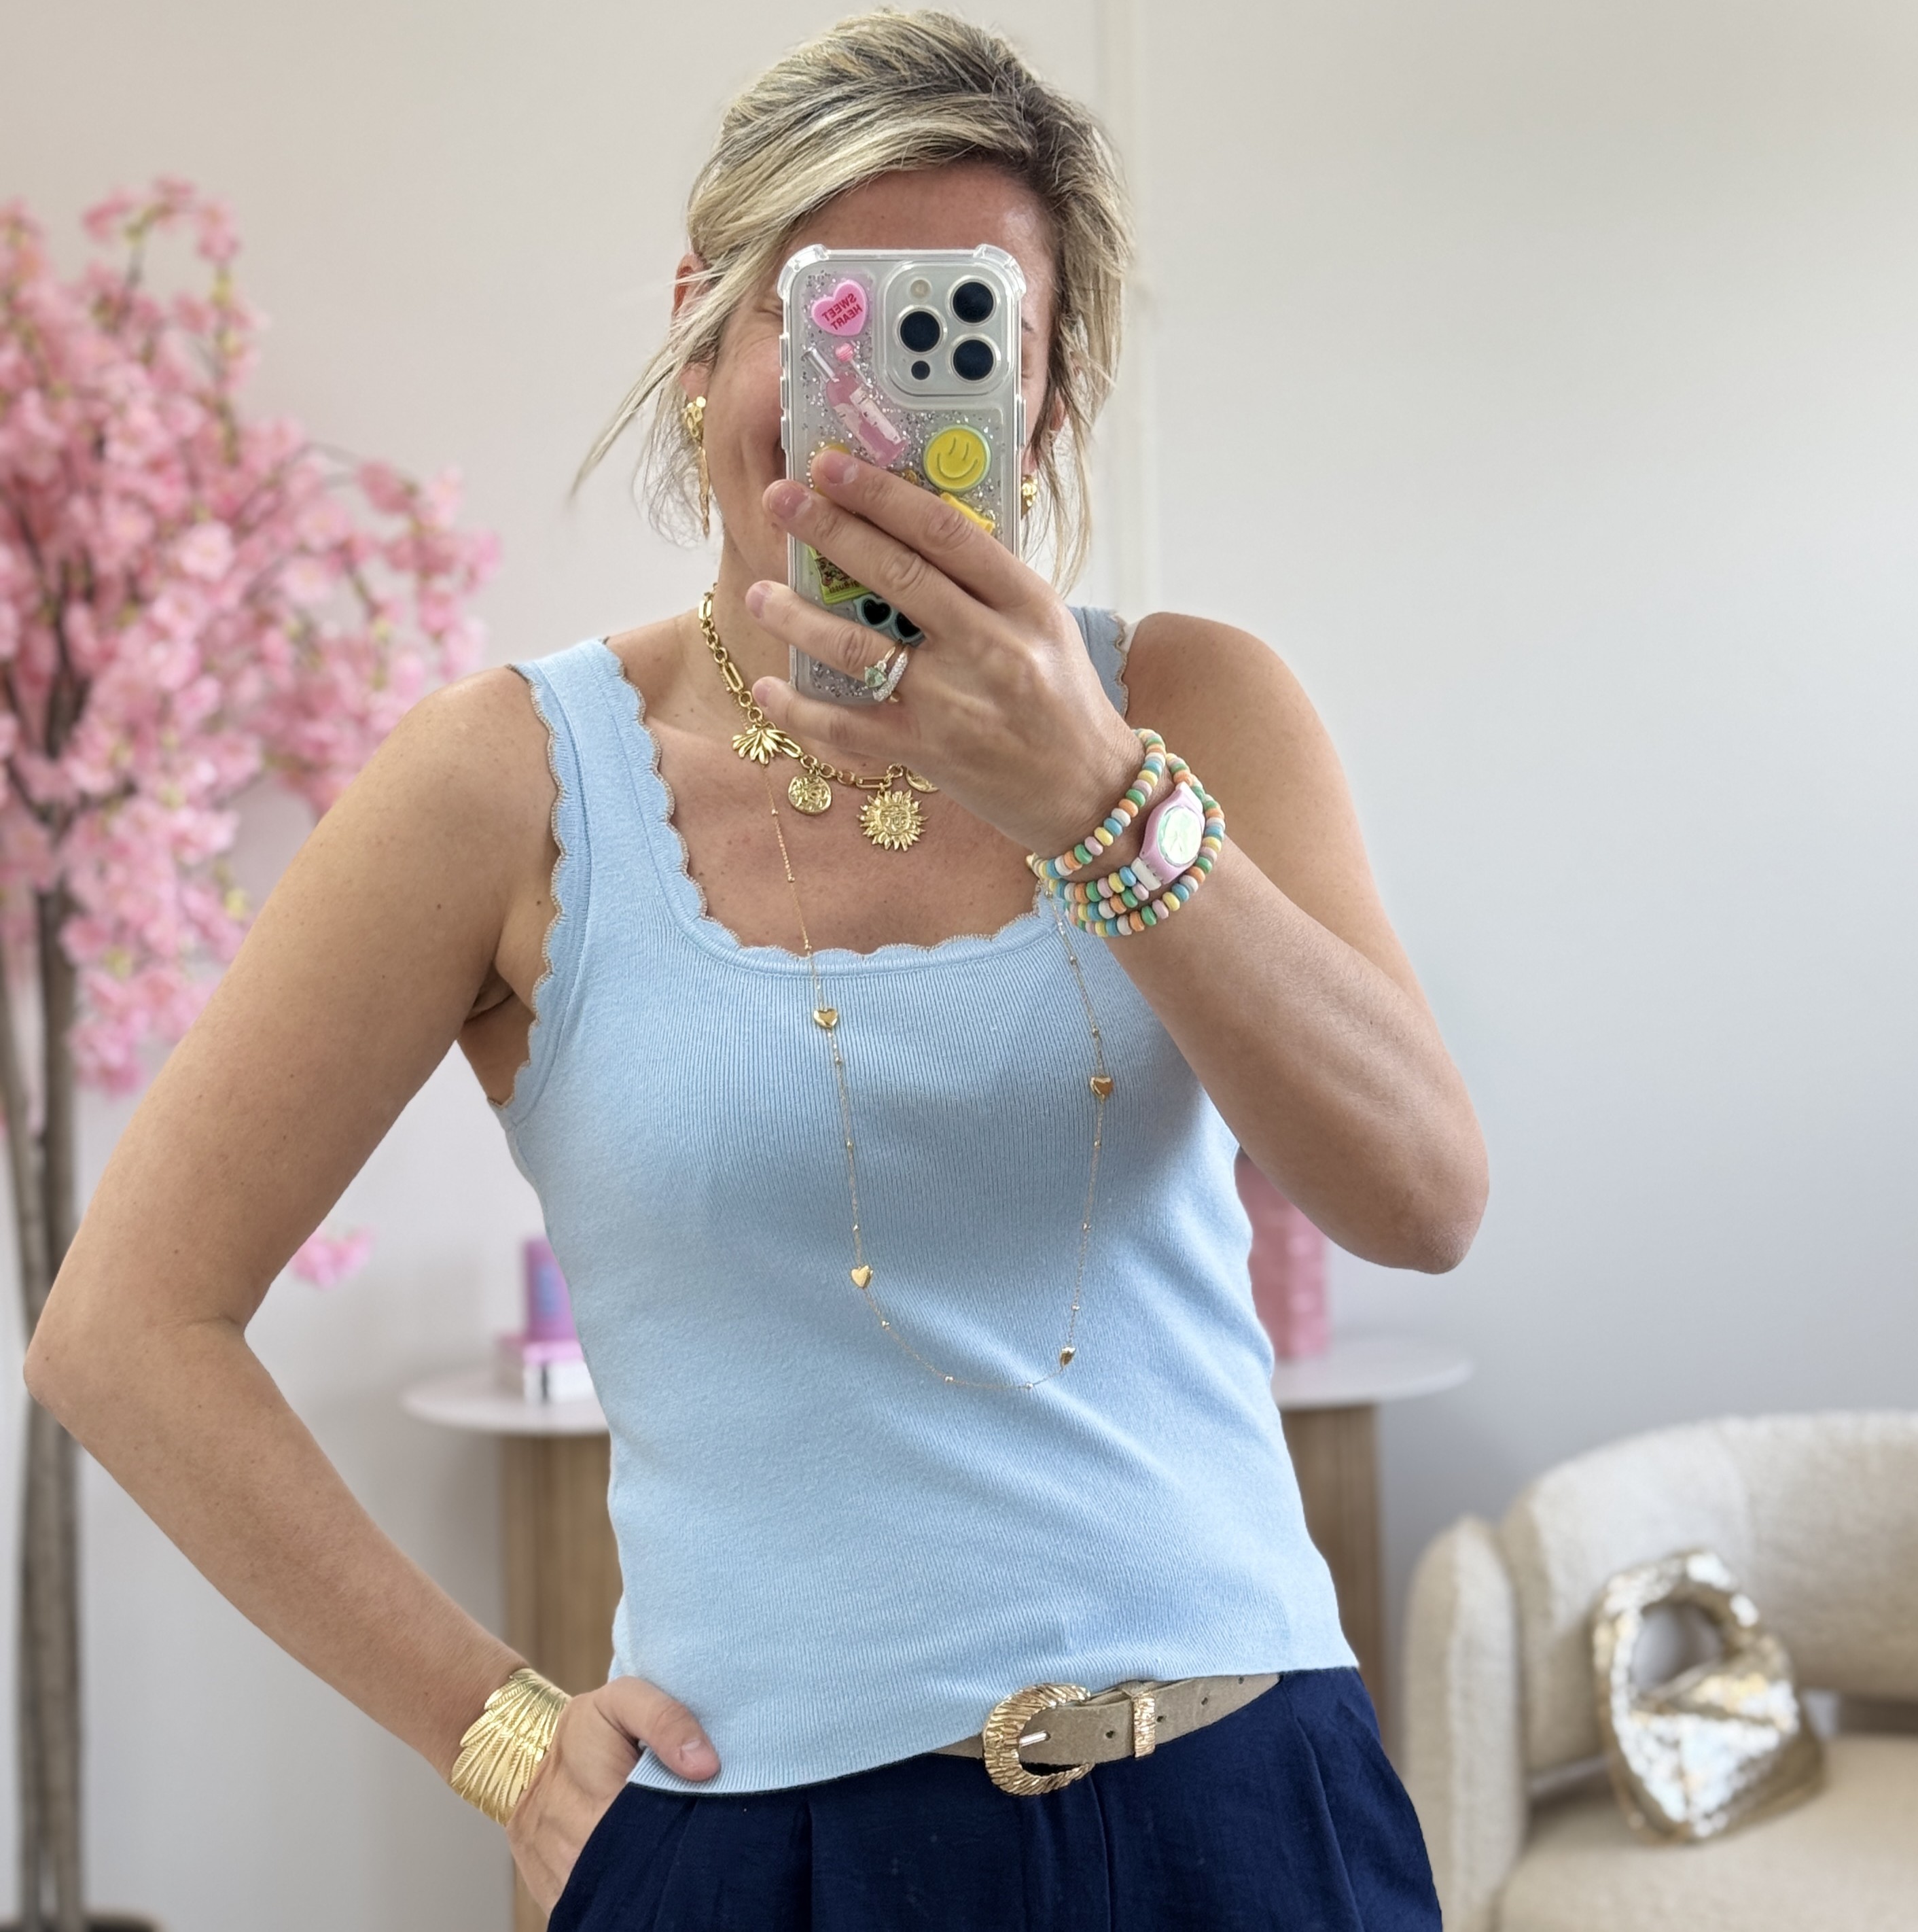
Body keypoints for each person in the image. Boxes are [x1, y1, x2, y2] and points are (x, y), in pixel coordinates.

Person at [26, 11, 1487, 1927]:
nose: (871, 403)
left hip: (1244, 1806)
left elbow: (1420, 1200)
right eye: (828, 316)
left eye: (965, 328)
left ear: (1043, 403)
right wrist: (498, 1735)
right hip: (768, 1850)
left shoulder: (1192, 711)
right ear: (705, 330)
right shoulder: (512, 780)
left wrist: (1092, 796)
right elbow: (123, 1326)